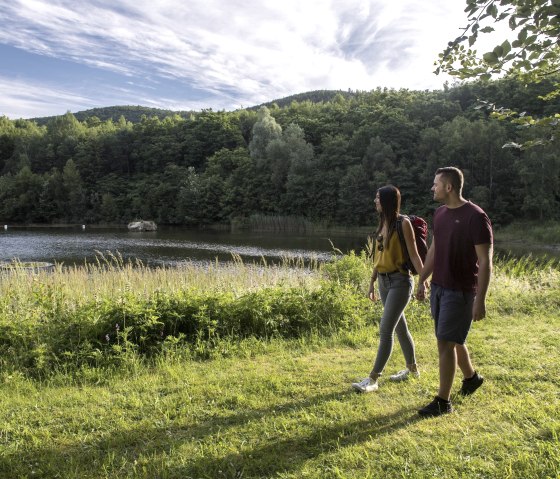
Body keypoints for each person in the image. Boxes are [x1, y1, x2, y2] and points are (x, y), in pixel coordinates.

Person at [416, 167, 493, 417]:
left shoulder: (476, 217)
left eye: (435, 184)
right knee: (451, 337)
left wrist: (479, 300)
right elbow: (434, 250)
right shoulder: (439, 214)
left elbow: (485, 261)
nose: (432, 188)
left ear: (448, 187)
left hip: (460, 292)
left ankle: (442, 401)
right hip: (439, 287)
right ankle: (471, 378)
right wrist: (422, 280)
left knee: (444, 343)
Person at [352, 185, 427, 393]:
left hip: (400, 282)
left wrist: (423, 281)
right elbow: (378, 258)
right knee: (401, 328)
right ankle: (412, 370)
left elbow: (414, 255)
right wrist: (371, 283)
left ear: (387, 201)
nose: (374, 201)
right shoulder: (382, 223)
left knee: (386, 329)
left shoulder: (403, 224)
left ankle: (373, 379)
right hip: (383, 282)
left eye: (377, 198)